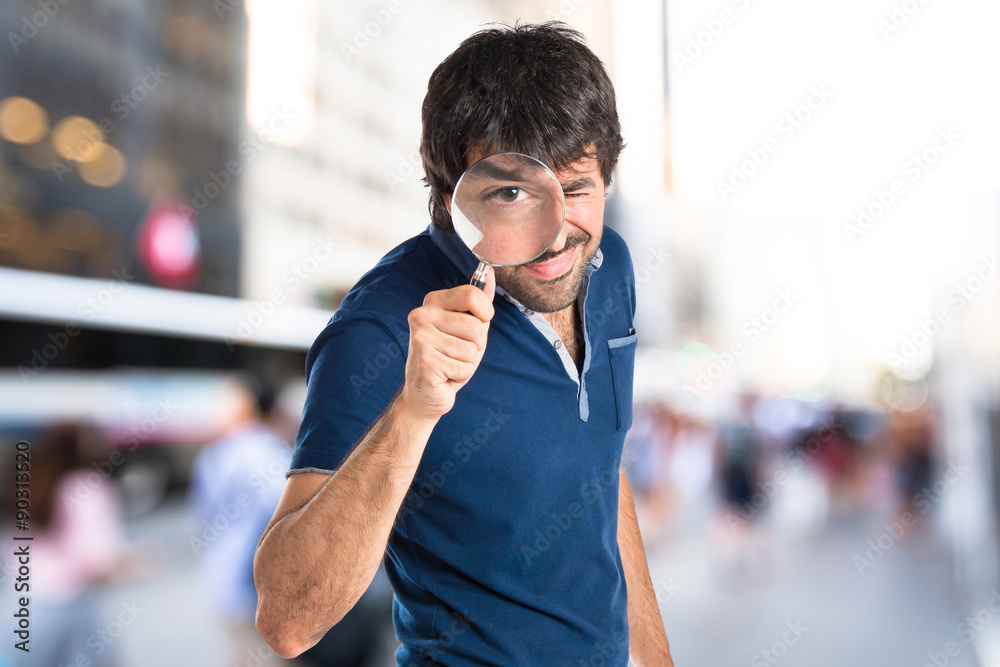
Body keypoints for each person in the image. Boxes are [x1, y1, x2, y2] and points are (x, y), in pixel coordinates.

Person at [253, 22, 674, 666]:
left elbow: (601, 474)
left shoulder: (608, 265)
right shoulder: (379, 330)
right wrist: (414, 410)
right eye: (512, 193)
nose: (556, 234)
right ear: (450, 194)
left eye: (578, 188)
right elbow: (287, 621)